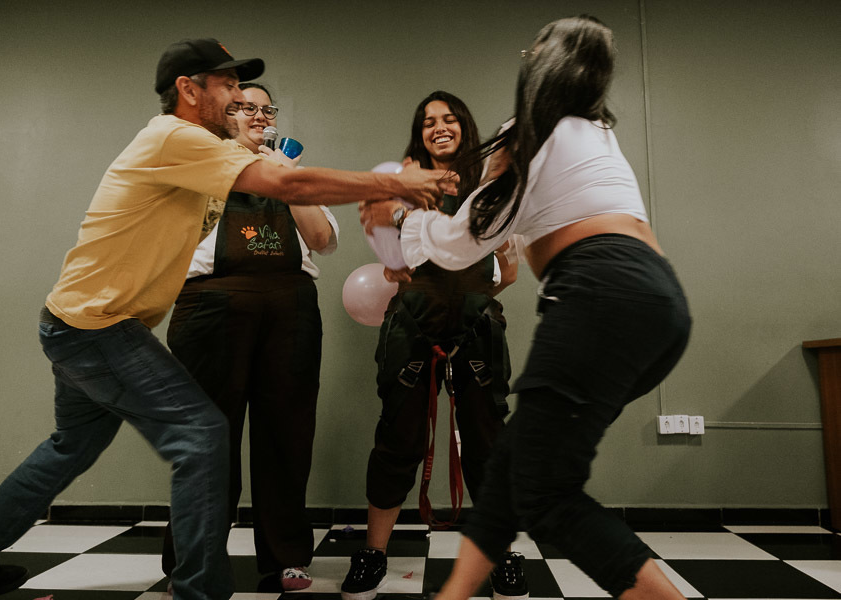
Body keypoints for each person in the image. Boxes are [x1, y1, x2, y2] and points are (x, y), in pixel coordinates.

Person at [0, 38, 449, 600]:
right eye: (228, 86)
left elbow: (302, 213)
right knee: (203, 433)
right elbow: (284, 184)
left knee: (68, 449)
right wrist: (394, 182)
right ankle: (199, 591)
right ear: (189, 90)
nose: (240, 98)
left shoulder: (206, 149)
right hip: (99, 325)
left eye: (245, 90)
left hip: (80, 320)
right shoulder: (175, 137)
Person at [360, 16, 692, 600]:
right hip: (657, 301)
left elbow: (468, 238)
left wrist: (404, 216)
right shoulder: (591, 130)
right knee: (522, 465)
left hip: (596, 291)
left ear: (545, 69)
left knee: (540, 485)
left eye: (531, 50)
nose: (522, 55)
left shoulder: (527, 133)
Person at [341, 91, 523, 600]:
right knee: (397, 439)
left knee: (488, 443)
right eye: (428, 122)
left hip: (477, 325)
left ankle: (503, 556)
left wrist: (483, 289)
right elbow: (380, 240)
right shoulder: (401, 184)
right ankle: (374, 554)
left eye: (447, 119)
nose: (438, 127)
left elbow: (508, 272)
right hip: (412, 322)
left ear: (465, 125)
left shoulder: (490, 187)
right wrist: (389, 247)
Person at [159, 82, 337, 592]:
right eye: (244, 107)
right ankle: (194, 559)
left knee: (287, 435)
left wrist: (284, 177)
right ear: (221, 114)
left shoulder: (293, 167)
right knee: (204, 440)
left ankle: (286, 557)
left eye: (266, 109)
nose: (258, 115)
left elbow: (322, 240)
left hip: (291, 309)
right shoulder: (196, 163)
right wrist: (233, 157)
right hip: (211, 307)